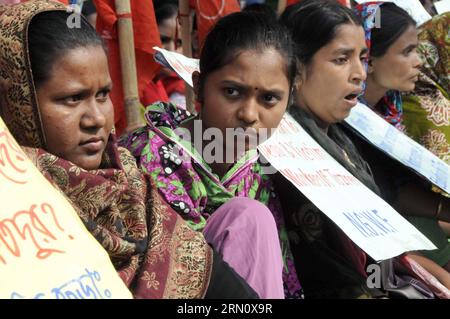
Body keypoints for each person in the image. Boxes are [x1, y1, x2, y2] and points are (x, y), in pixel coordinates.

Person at [0, 0, 263, 299]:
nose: (97, 118)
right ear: (15, 101)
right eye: (72, 99)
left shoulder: (131, 186)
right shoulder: (13, 208)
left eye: (102, 95)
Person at [120, 11, 302, 299]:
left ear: (289, 100)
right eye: (231, 92)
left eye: (269, 98)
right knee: (249, 218)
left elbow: (277, 274)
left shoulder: (256, 171)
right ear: (199, 86)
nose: (249, 115)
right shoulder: (151, 154)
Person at [351, 2, 450, 289]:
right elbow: (386, 194)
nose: (419, 61)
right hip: (384, 258)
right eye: (407, 51)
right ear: (370, 57)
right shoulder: (346, 122)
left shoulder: (389, 112)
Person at [142, 0, 186, 109]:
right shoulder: (134, 90)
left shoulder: (162, 83)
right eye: (163, 40)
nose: (171, 50)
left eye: (179, 43)